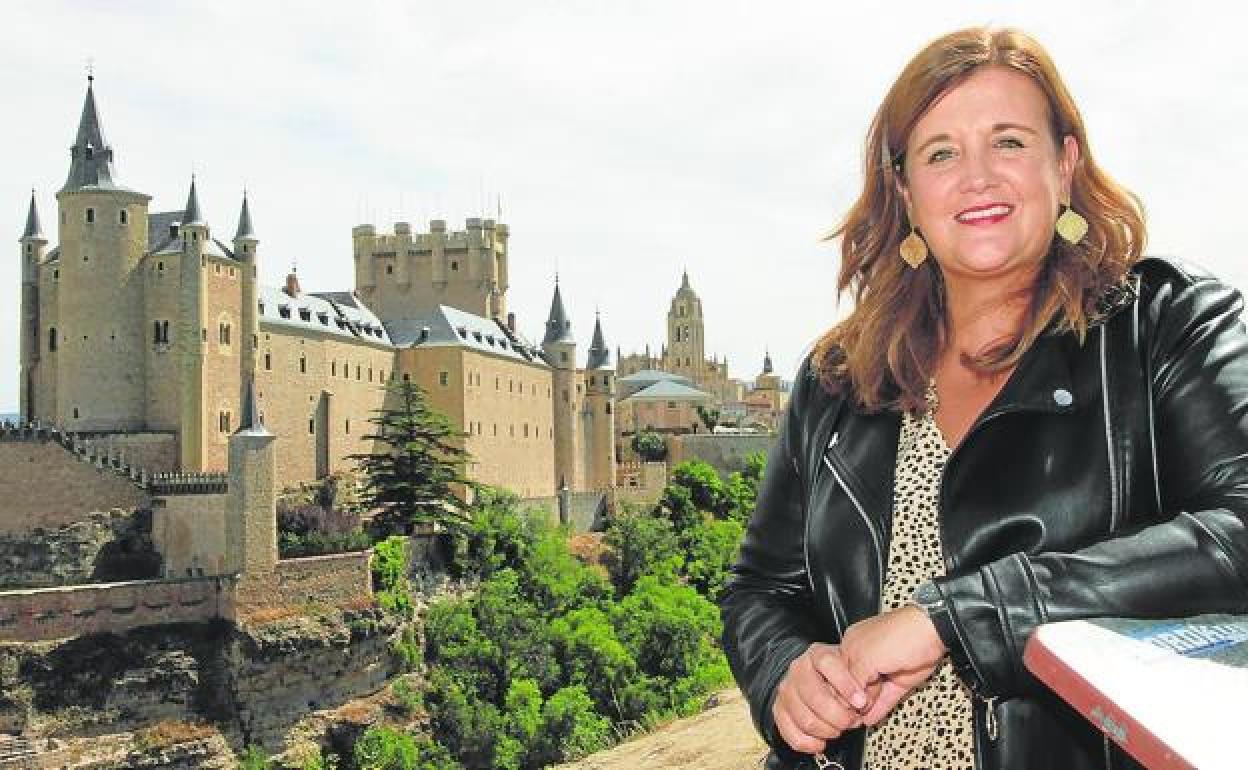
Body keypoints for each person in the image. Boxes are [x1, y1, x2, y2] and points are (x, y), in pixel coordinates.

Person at [719, 26, 1248, 770]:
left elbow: (1239, 532)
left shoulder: (1165, 325)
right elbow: (760, 588)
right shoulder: (839, 377)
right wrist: (782, 673)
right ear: (904, 191)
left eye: (1007, 142)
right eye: (941, 153)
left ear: (1063, 164)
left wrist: (956, 617)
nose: (977, 178)